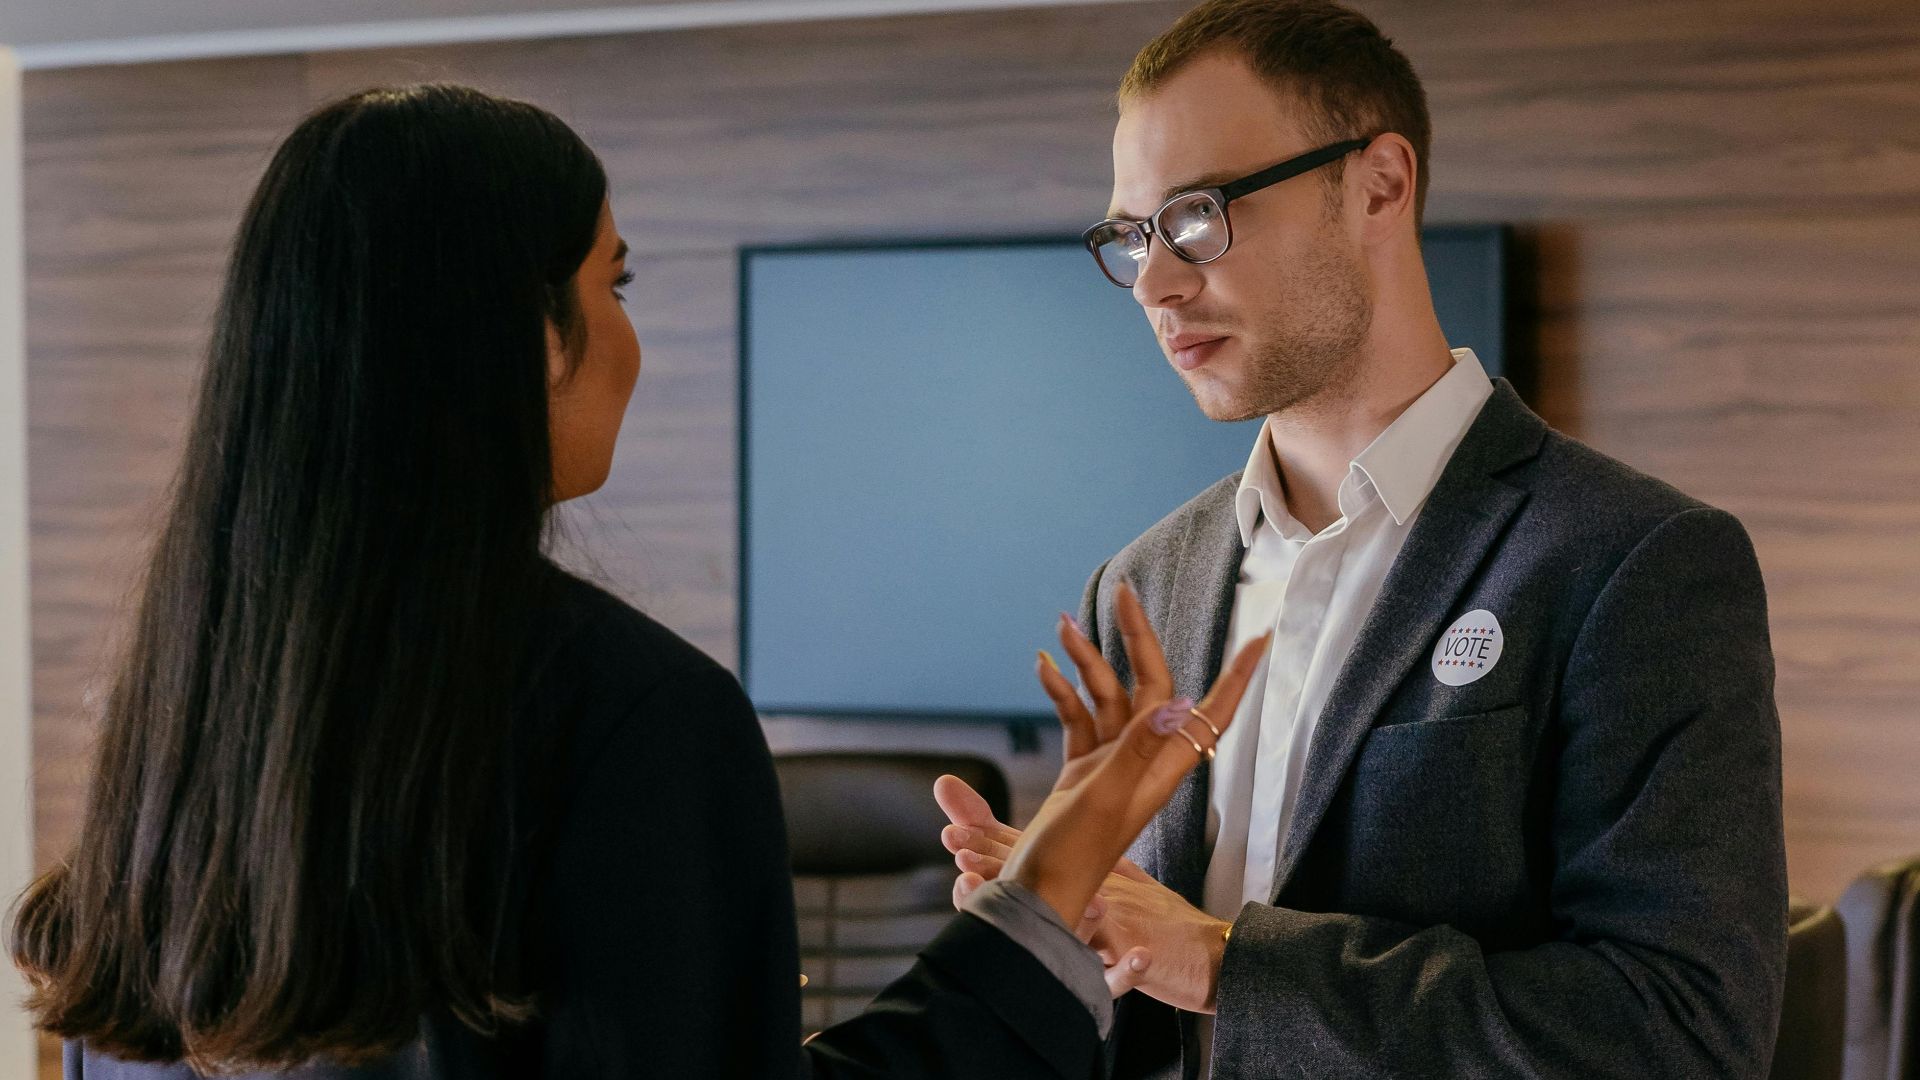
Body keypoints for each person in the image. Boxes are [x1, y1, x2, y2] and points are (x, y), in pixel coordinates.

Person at [5, 83, 1275, 1079]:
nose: (632, 338)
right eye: (612, 283)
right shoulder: (630, 718)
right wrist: (1054, 886)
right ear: (516, 336)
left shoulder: (167, 711)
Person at [935, 1, 1788, 1076]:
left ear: (1380, 183)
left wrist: (1224, 961)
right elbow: (1140, 1025)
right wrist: (1050, 950)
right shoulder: (1144, 586)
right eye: (1132, 234)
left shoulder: (1633, 563)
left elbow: (1683, 1033)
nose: (1154, 282)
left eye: (1197, 215)